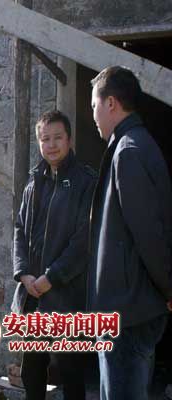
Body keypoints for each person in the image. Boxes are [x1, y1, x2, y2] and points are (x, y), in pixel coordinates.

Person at [87, 66, 172, 400]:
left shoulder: (129, 152)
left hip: (128, 315)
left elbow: (150, 234)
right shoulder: (130, 145)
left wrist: (168, 287)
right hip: (126, 310)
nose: (92, 115)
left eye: (94, 105)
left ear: (111, 103)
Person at [12, 110, 95, 400]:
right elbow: (20, 229)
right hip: (33, 294)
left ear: (69, 139)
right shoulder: (35, 181)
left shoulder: (85, 182)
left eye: (57, 137)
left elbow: (85, 240)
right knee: (32, 370)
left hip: (66, 295)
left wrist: (52, 277)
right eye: (45, 139)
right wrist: (23, 273)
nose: (51, 145)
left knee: (70, 370)